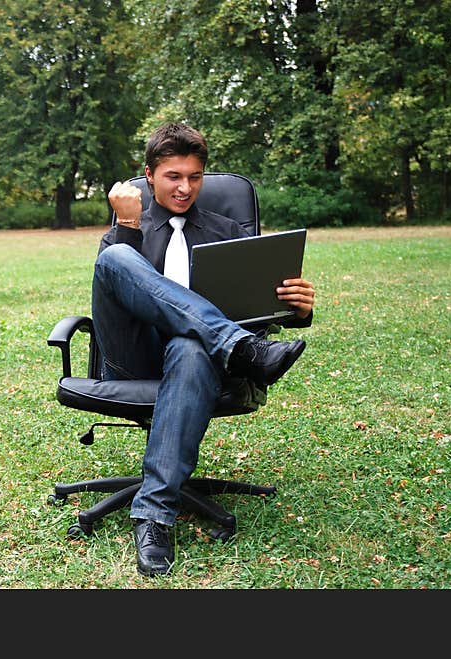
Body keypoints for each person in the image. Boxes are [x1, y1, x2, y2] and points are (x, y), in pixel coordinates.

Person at [93, 122, 315, 576]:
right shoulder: (128, 224)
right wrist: (129, 226)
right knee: (115, 259)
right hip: (133, 355)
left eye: (194, 177)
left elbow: (258, 306)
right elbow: (115, 291)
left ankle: (154, 516)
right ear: (150, 174)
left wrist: (298, 308)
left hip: (199, 363)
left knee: (192, 346)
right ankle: (243, 351)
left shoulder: (228, 230)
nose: (185, 187)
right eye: (173, 176)